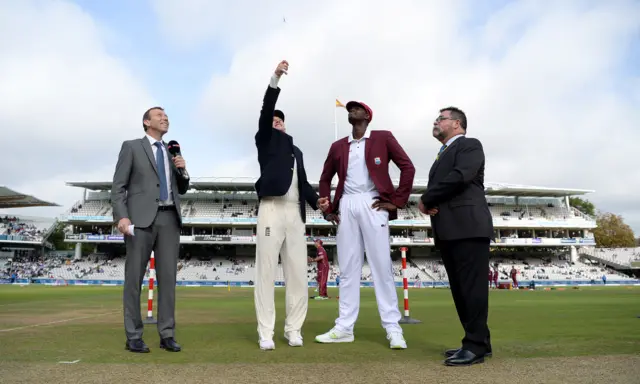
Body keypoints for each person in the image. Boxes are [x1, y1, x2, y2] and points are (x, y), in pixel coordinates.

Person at [316, 100, 415, 349]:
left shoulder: (383, 137)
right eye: (349, 108)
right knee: (348, 269)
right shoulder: (338, 145)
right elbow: (325, 178)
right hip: (347, 203)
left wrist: (397, 201)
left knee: (381, 266)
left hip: (374, 204)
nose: (351, 110)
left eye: (357, 108)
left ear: (368, 116)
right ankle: (344, 327)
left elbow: (407, 167)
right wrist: (327, 206)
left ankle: (393, 328)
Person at [254, 60, 329, 351]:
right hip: (271, 209)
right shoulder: (265, 140)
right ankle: (265, 332)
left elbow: (305, 184)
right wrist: (274, 78)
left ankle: (293, 329)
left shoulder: (295, 150)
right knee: (266, 271)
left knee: (297, 273)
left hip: (295, 212)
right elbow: (265, 113)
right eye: (274, 120)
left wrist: (318, 203)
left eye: (280, 120)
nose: (277, 122)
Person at [418, 106, 494, 366]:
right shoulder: (442, 154)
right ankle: (479, 340)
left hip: (468, 227)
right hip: (451, 229)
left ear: (458, 124)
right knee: (461, 290)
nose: (436, 121)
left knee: (471, 290)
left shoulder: (470, 145)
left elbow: (460, 176)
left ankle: (474, 347)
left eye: (441, 118)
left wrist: (426, 198)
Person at [111, 106, 190, 353]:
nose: (165, 118)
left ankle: (167, 334)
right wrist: (121, 216)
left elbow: (183, 188)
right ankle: (133, 335)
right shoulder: (131, 147)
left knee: (168, 280)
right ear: (147, 122)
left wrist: (183, 169)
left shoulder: (170, 151)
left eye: (167, 116)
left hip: (169, 220)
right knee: (134, 279)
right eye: (159, 116)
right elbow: (118, 186)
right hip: (140, 221)